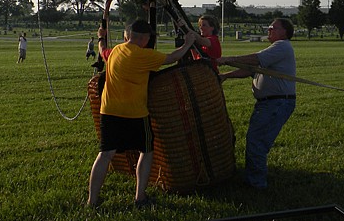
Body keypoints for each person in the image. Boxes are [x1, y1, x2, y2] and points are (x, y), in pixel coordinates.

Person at [88, 19, 198, 208]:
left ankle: (92, 201)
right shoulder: (145, 56)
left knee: (105, 154)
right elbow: (172, 58)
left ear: (127, 36)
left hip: (109, 111)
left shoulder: (116, 51)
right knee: (146, 151)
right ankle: (140, 198)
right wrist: (188, 43)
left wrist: (101, 37)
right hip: (135, 113)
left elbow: (102, 51)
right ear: (146, 39)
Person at [217, 18, 296, 189]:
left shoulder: (281, 46)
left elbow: (254, 60)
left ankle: (256, 184)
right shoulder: (276, 49)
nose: (269, 30)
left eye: (273, 28)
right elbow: (251, 70)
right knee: (255, 140)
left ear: (284, 32)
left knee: (256, 142)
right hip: (270, 104)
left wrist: (226, 59)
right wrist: (226, 75)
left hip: (276, 103)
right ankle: (254, 179)